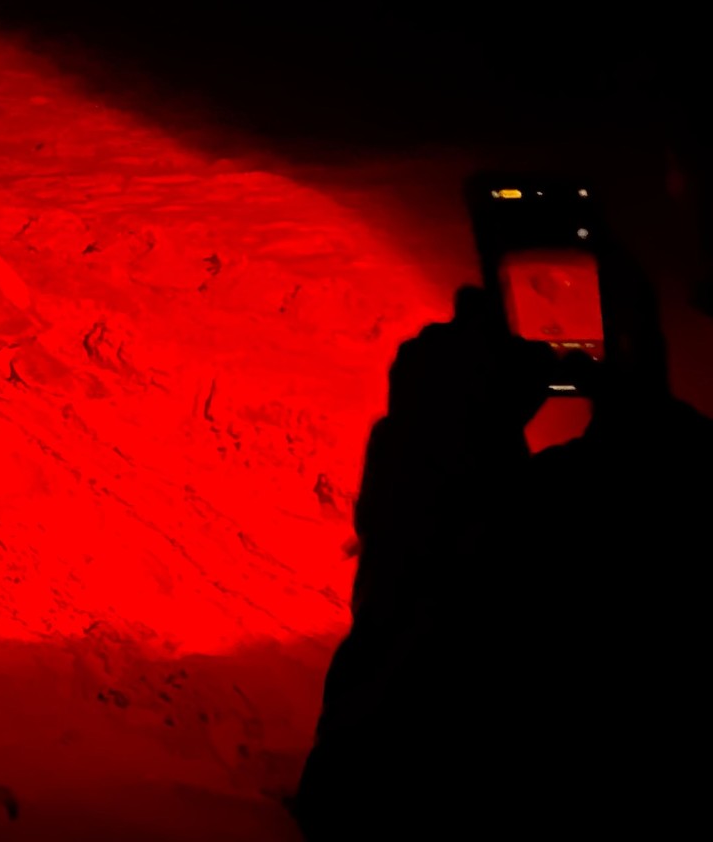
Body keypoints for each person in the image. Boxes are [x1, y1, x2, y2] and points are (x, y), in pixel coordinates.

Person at [293, 242, 713, 838]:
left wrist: (436, 427)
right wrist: (644, 416)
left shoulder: (564, 528)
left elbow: (371, 775)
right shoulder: (652, 495)